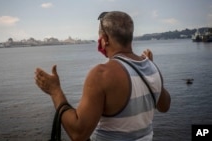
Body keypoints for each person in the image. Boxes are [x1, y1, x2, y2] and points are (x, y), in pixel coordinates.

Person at [35, 11, 171, 141]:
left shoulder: (101, 74)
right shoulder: (152, 67)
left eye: (99, 37)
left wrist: (55, 92)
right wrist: (154, 73)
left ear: (105, 39)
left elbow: (78, 133)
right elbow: (164, 106)